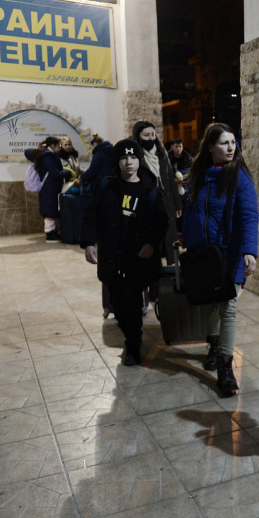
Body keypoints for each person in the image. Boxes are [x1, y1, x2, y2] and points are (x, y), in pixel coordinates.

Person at [182, 123, 259, 397]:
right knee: (209, 304)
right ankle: (214, 345)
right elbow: (190, 210)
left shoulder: (240, 176)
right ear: (210, 147)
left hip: (230, 252)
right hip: (203, 254)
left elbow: (249, 215)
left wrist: (249, 250)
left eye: (233, 142)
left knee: (227, 307)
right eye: (224, 143)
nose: (230, 148)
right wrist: (186, 238)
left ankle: (226, 366)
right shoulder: (197, 175)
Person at [80, 139, 168, 366]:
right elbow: (90, 215)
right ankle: (129, 331)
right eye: (123, 158)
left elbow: (161, 220)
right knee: (118, 302)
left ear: (139, 160)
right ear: (117, 161)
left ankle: (133, 343)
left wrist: (152, 243)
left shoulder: (149, 188)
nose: (129, 162)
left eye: (133, 157)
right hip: (113, 255)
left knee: (131, 300)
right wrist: (89, 243)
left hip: (138, 257)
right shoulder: (106, 186)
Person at [132, 121, 182, 264]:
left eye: (153, 134)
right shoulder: (136, 157)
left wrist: (177, 204)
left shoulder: (162, 154)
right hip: (148, 205)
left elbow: (170, 180)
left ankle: (172, 269)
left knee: (170, 240)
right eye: (146, 135)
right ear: (138, 136)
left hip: (166, 202)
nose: (150, 138)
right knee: (153, 243)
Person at [25, 136, 75, 242]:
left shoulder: (47, 154)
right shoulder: (48, 155)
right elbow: (55, 173)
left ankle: (53, 233)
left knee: (51, 210)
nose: (60, 148)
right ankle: (50, 235)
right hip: (50, 187)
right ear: (52, 145)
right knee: (50, 211)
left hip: (50, 187)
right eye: (59, 146)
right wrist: (67, 172)